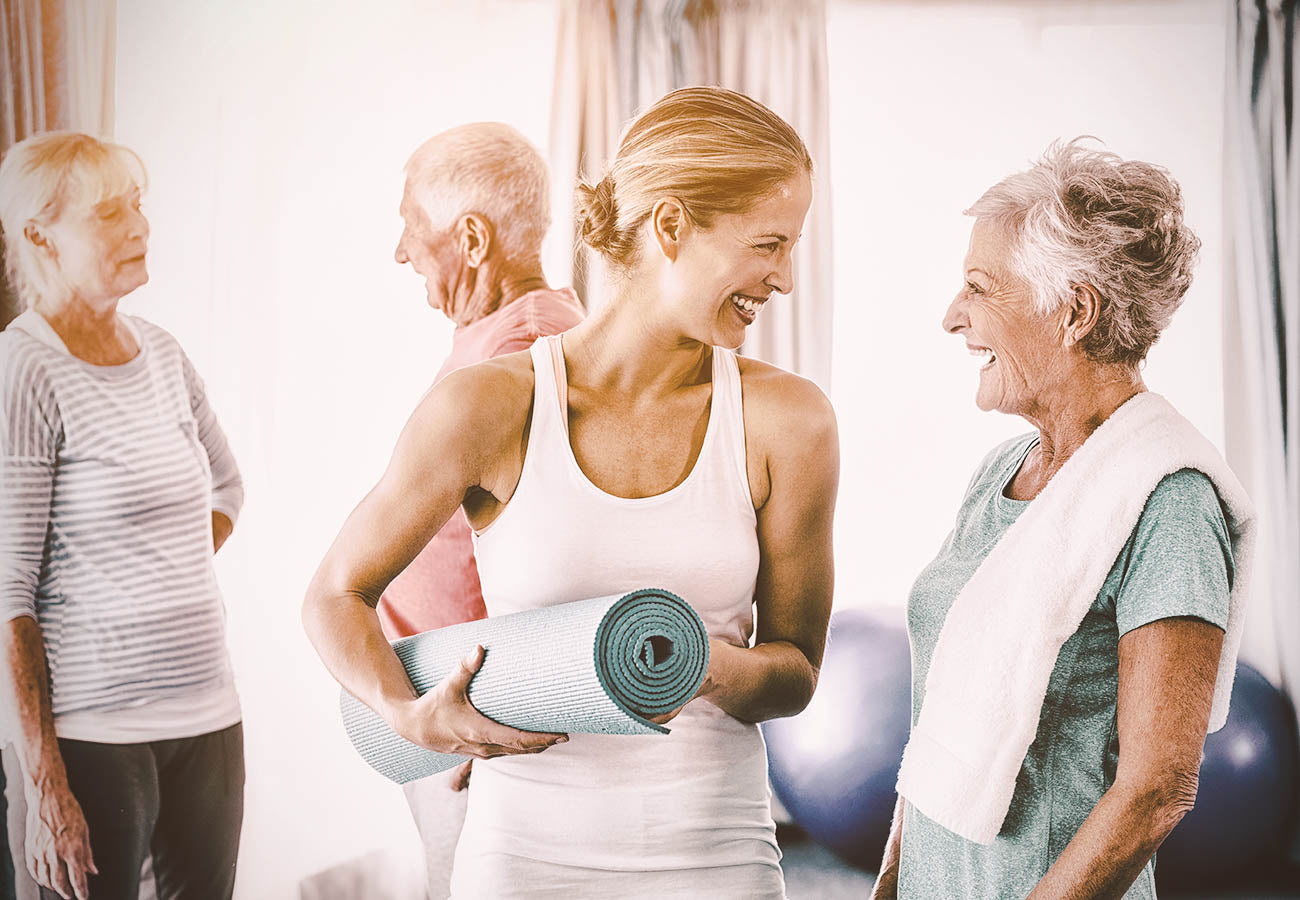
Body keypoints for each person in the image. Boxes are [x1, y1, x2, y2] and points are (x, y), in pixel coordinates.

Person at [302, 86, 838, 899]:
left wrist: (700, 667)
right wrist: (404, 712)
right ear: (669, 227)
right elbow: (335, 595)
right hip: (522, 857)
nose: (786, 279)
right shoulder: (489, 405)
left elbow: (795, 673)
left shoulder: (789, 422)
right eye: (768, 245)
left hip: (715, 852)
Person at [871, 140, 1250, 899]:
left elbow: (1157, 790)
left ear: (1075, 312)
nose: (953, 316)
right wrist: (893, 879)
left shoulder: (1170, 501)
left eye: (978, 289)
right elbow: (942, 718)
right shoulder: (999, 474)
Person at [0, 132, 245, 900]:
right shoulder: (25, 369)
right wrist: (45, 780)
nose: (140, 228)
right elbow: (8, 591)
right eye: (110, 213)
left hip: (209, 715)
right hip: (91, 736)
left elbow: (228, 491)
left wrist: (152, 577)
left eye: (138, 207)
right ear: (41, 234)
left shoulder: (164, 353)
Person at [380, 122, 584, 896]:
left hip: (475, 718)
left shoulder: (524, 349)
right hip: (441, 705)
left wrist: (501, 699)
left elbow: (563, 560)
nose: (401, 251)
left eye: (410, 227)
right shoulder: (496, 332)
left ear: (471, 237)